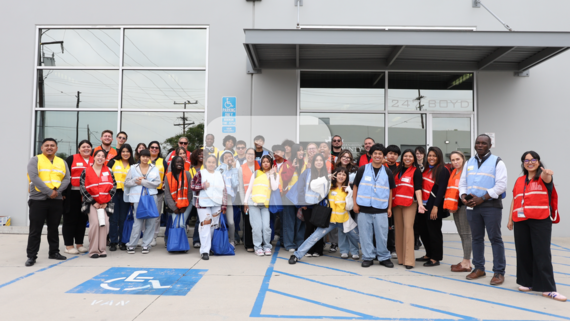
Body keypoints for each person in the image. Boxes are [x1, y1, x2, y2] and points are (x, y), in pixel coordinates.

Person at [507, 151, 566, 302]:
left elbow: (548, 179)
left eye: (533, 159)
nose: (530, 162)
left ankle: (548, 288)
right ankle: (528, 282)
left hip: (540, 220)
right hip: (521, 220)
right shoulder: (519, 180)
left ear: (538, 162)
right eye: (526, 160)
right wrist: (510, 219)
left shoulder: (543, 177)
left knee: (542, 253)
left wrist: (547, 173)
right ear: (523, 163)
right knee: (523, 252)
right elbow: (515, 199)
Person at [460, 134, 507, 286]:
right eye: (477, 143)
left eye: (483, 143)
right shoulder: (469, 162)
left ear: (490, 145)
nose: (480, 145)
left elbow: (501, 186)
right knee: (476, 238)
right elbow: (463, 183)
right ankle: (479, 268)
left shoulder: (498, 162)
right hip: (472, 207)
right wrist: (463, 196)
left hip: (490, 206)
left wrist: (483, 198)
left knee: (495, 238)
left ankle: (499, 272)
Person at [289, 166, 359, 264]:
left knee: (359, 238)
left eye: (344, 174)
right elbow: (313, 185)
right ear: (335, 175)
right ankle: (296, 255)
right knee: (314, 237)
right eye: (339, 174)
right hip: (330, 221)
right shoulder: (328, 186)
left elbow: (349, 207)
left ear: (346, 177)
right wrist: (326, 177)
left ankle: (375, 255)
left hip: (345, 220)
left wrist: (349, 192)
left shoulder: (348, 189)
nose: (341, 176)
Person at [25, 138, 71, 266]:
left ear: (56, 148)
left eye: (52, 145)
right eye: (47, 145)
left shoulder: (62, 162)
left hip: (56, 200)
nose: (49, 147)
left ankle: (54, 252)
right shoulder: (35, 160)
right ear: (42, 148)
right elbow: (34, 177)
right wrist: (49, 191)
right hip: (38, 199)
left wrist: (57, 192)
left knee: (54, 228)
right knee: (35, 229)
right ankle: (31, 256)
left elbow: (67, 179)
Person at [353, 143, 396, 268]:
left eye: (380, 154)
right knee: (365, 235)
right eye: (375, 153)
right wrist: (355, 203)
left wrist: (389, 208)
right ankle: (368, 257)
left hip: (381, 209)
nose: (377, 156)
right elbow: (355, 186)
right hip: (364, 209)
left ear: (383, 156)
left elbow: (390, 190)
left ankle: (383, 257)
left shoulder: (387, 171)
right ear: (371, 155)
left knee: (382, 235)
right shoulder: (362, 169)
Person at [289, 153, 329, 257]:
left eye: (321, 160)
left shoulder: (326, 174)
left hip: (319, 206)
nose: (319, 162)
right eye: (316, 160)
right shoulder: (307, 172)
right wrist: (302, 204)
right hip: (307, 205)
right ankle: (308, 250)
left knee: (319, 228)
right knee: (309, 227)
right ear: (313, 162)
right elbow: (300, 188)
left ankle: (318, 250)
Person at [415, 146, 449, 267]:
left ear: (439, 157)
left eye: (434, 156)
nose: (431, 158)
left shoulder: (442, 170)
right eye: (430, 155)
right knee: (423, 231)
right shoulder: (426, 169)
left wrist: (435, 207)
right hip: (423, 205)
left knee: (434, 232)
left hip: (434, 206)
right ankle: (428, 254)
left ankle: (435, 257)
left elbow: (441, 190)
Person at [79, 149, 117, 258]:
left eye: (103, 156)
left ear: (105, 159)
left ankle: (102, 249)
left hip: (105, 203)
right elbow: (82, 188)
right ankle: (94, 250)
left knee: (105, 223)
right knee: (95, 223)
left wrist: (106, 201)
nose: (100, 157)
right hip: (91, 203)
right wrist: (93, 201)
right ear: (94, 157)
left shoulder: (109, 170)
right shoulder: (86, 171)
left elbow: (114, 186)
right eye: (98, 155)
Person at [391, 149, 425, 269]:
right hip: (396, 204)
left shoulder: (416, 171)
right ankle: (401, 259)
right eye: (406, 156)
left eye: (410, 156)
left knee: (408, 229)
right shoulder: (397, 170)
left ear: (414, 159)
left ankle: (409, 260)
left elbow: (418, 188)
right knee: (399, 231)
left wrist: (420, 204)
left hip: (409, 203)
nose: (408, 158)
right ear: (402, 157)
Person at [124, 149, 161, 254]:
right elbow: (126, 183)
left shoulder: (154, 168)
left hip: (151, 197)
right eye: (143, 156)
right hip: (137, 198)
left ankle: (146, 244)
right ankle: (132, 244)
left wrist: (143, 182)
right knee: (138, 221)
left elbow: (157, 183)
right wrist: (137, 180)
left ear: (149, 157)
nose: (145, 158)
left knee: (151, 221)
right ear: (139, 157)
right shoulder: (133, 168)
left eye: (147, 156)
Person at [191, 154, 228, 260]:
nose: (211, 164)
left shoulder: (219, 174)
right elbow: (192, 186)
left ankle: (211, 247)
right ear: (205, 163)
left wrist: (224, 205)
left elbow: (224, 191)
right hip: (203, 204)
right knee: (205, 226)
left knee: (214, 226)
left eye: (213, 162)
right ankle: (204, 251)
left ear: (216, 163)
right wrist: (202, 186)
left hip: (216, 204)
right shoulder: (200, 173)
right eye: (209, 162)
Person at [243, 155, 279, 256]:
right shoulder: (255, 173)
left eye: (268, 161)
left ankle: (267, 246)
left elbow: (275, 187)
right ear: (261, 164)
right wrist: (245, 202)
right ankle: (258, 247)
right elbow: (249, 189)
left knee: (266, 227)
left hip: (265, 205)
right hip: (253, 203)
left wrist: (271, 175)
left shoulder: (275, 175)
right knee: (256, 227)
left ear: (271, 163)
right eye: (264, 162)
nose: (266, 163)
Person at [443, 151, 472, 272]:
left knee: (466, 234)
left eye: (457, 159)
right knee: (462, 234)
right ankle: (465, 261)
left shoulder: (467, 173)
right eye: (453, 160)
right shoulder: (454, 172)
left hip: (464, 207)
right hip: (456, 207)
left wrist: (465, 203)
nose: (455, 162)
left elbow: (470, 190)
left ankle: (466, 263)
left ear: (463, 159)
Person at [62, 140, 93, 255]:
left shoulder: (94, 160)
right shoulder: (71, 159)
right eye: (83, 147)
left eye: (88, 147)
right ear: (79, 149)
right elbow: (64, 175)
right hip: (72, 194)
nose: (86, 148)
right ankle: (69, 245)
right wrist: (63, 193)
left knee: (82, 219)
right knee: (70, 219)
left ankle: (79, 244)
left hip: (87, 195)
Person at [333, 150, 360, 259]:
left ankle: (354, 250)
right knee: (341, 227)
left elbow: (358, 184)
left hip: (351, 199)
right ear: (340, 157)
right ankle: (344, 250)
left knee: (352, 227)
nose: (346, 159)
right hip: (339, 201)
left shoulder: (355, 169)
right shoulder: (335, 169)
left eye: (348, 157)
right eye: (344, 156)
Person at [107, 144, 135, 251]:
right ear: (120, 152)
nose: (125, 153)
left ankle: (123, 241)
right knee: (113, 219)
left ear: (130, 153)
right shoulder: (113, 162)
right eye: (123, 151)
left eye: (127, 151)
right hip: (113, 194)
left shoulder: (133, 165)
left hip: (126, 195)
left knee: (123, 219)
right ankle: (113, 241)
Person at [282, 144, 306, 251]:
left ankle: (299, 242)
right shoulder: (287, 164)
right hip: (289, 196)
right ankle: (289, 244)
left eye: (302, 150)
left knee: (300, 219)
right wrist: (293, 167)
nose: (301, 152)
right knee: (289, 221)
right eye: (299, 150)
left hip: (301, 196)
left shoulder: (305, 164)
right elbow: (285, 178)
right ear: (295, 152)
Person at [164, 156, 193, 245]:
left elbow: (189, 191)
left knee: (181, 224)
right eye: (177, 162)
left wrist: (184, 206)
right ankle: (176, 244)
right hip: (174, 205)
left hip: (186, 203)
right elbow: (167, 194)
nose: (179, 164)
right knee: (176, 225)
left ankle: (183, 245)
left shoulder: (187, 174)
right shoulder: (168, 176)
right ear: (173, 164)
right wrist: (174, 208)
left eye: (181, 162)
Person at [271, 144, 295, 248]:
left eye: (279, 151)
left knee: (285, 219)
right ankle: (273, 240)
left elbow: (287, 178)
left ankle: (285, 242)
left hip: (284, 195)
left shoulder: (288, 164)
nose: (277, 154)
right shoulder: (271, 164)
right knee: (273, 218)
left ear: (283, 153)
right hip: (272, 195)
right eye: (275, 152)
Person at [238, 148, 258, 252]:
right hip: (247, 199)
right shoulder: (241, 168)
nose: (250, 156)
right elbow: (241, 187)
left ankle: (258, 244)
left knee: (257, 223)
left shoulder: (259, 166)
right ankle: (249, 244)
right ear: (245, 155)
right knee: (248, 222)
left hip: (258, 199)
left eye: (252, 154)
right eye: (248, 153)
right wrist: (244, 202)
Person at [148, 141, 168, 247]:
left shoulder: (162, 161)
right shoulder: (144, 159)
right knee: (144, 215)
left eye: (156, 147)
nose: (154, 149)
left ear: (159, 150)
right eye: (152, 147)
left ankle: (154, 237)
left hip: (158, 192)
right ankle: (145, 236)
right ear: (149, 148)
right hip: (145, 192)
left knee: (156, 216)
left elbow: (166, 176)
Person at [218, 150, 239, 246]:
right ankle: (218, 241)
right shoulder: (218, 169)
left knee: (231, 222)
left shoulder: (234, 170)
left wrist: (233, 169)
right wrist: (225, 167)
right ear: (222, 159)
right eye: (226, 157)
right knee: (218, 222)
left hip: (229, 199)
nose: (228, 159)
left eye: (230, 157)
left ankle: (231, 241)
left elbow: (235, 184)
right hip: (218, 199)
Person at [384, 144, 401, 258]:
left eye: (395, 154)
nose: (392, 156)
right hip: (383, 201)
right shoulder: (381, 165)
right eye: (390, 153)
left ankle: (393, 248)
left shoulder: (401, 167)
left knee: (394, 227)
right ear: (386, 154)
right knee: (384, 226)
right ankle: (383, 248)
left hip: (397, 202)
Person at [190, 148, 204, 248]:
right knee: (198, 220)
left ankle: (204, 240)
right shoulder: (191, 169)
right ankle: (196, 240)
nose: (201, 155)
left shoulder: (208, 168)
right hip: (195, 197)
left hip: (206, 197)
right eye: (199, 154)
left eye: (203, 154)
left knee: (202, 220)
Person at [414, 147, 426, 250]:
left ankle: (419, 239)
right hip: (415, 196)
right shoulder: (413, 166)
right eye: (417, 153)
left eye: (421, 153)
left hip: (425, 195)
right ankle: (415, 240)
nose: (419, 155)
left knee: (421, 221)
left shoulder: (427, 166)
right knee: (415, 220)